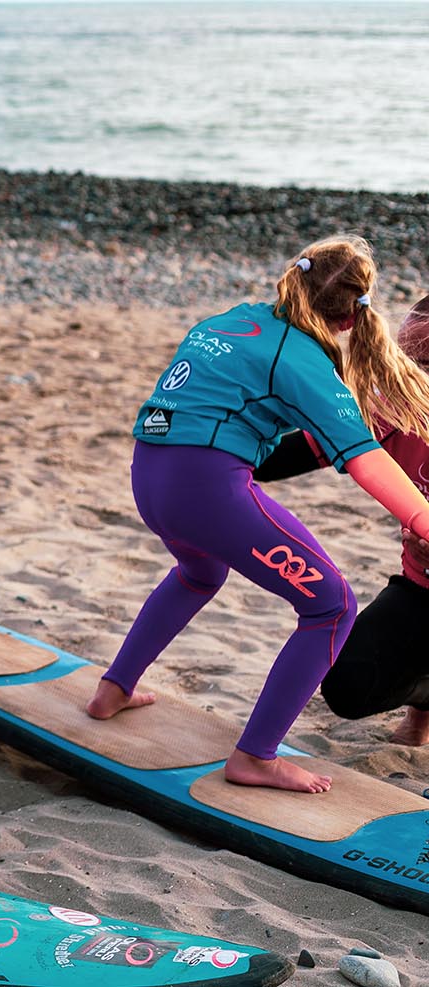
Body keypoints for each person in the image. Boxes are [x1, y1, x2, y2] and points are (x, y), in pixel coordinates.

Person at [86, 235, 429, 793]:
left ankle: (113, 689)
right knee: (332, 606)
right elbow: (366, 462)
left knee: (200, 573)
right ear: (350, 319)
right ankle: (255, 757)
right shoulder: (303, 362)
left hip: (148, 475)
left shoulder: (232, 320)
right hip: (205, 489)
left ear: (290, 280)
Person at [255, 294, 429, 747]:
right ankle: (425, 701)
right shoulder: (396, 409)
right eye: (408, 363)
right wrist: (204, 439)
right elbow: (288, 455)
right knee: (348, 684)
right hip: (422, 587)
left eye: (423, 366)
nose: (411, 378)